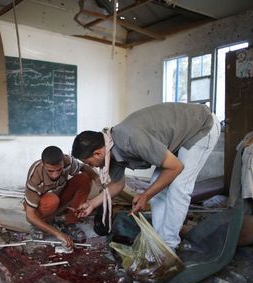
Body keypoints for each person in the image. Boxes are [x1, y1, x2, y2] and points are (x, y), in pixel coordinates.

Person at [71, 102, 221, 249]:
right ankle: (158, 241)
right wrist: (91, 204)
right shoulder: (110, 151)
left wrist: (145, 195)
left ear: (98, 153)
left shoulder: (130, 139)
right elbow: (117, 185)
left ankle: (168, 246)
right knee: (157, 187)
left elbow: (175, 167)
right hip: (178, 137)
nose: (90, 166)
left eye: (88, 162)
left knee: (179, 187)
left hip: (200, 126)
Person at [24, 145, 96, 248]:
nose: (55, 175)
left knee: (84, 178)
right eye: (50, 171)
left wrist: (101, 184)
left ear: (63, 162)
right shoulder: (35, 176)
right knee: (51, 200)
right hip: (42, 205)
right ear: (43, 165)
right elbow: (30, 215)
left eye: (59, 170)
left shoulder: (67, 161)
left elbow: (84, 167)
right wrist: (58, 233)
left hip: (58, 197)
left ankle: (69, 222)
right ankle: (41, 223)